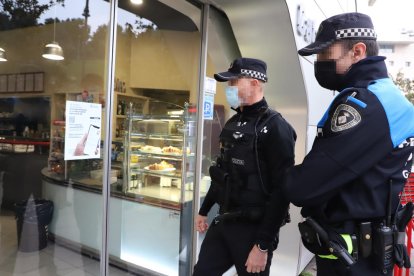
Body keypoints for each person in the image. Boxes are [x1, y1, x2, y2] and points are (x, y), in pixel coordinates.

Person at [282, 12, 414, 276]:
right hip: (363, 252)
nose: (320, 62)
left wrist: (277, 175)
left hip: (353, 261)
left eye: (325, 54)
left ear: (357, 51)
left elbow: (304, 186)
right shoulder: (388, 98)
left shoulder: (365, 104)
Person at [193, 57, 296, 276]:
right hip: (224, 221)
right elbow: (222, 175)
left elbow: (282, 191)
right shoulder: (233, 123)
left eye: (234, 82)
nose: (229, 88)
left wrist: (263, 245)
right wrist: (204, 211)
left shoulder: (276, 127)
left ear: (255, 83)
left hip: (254, 230)